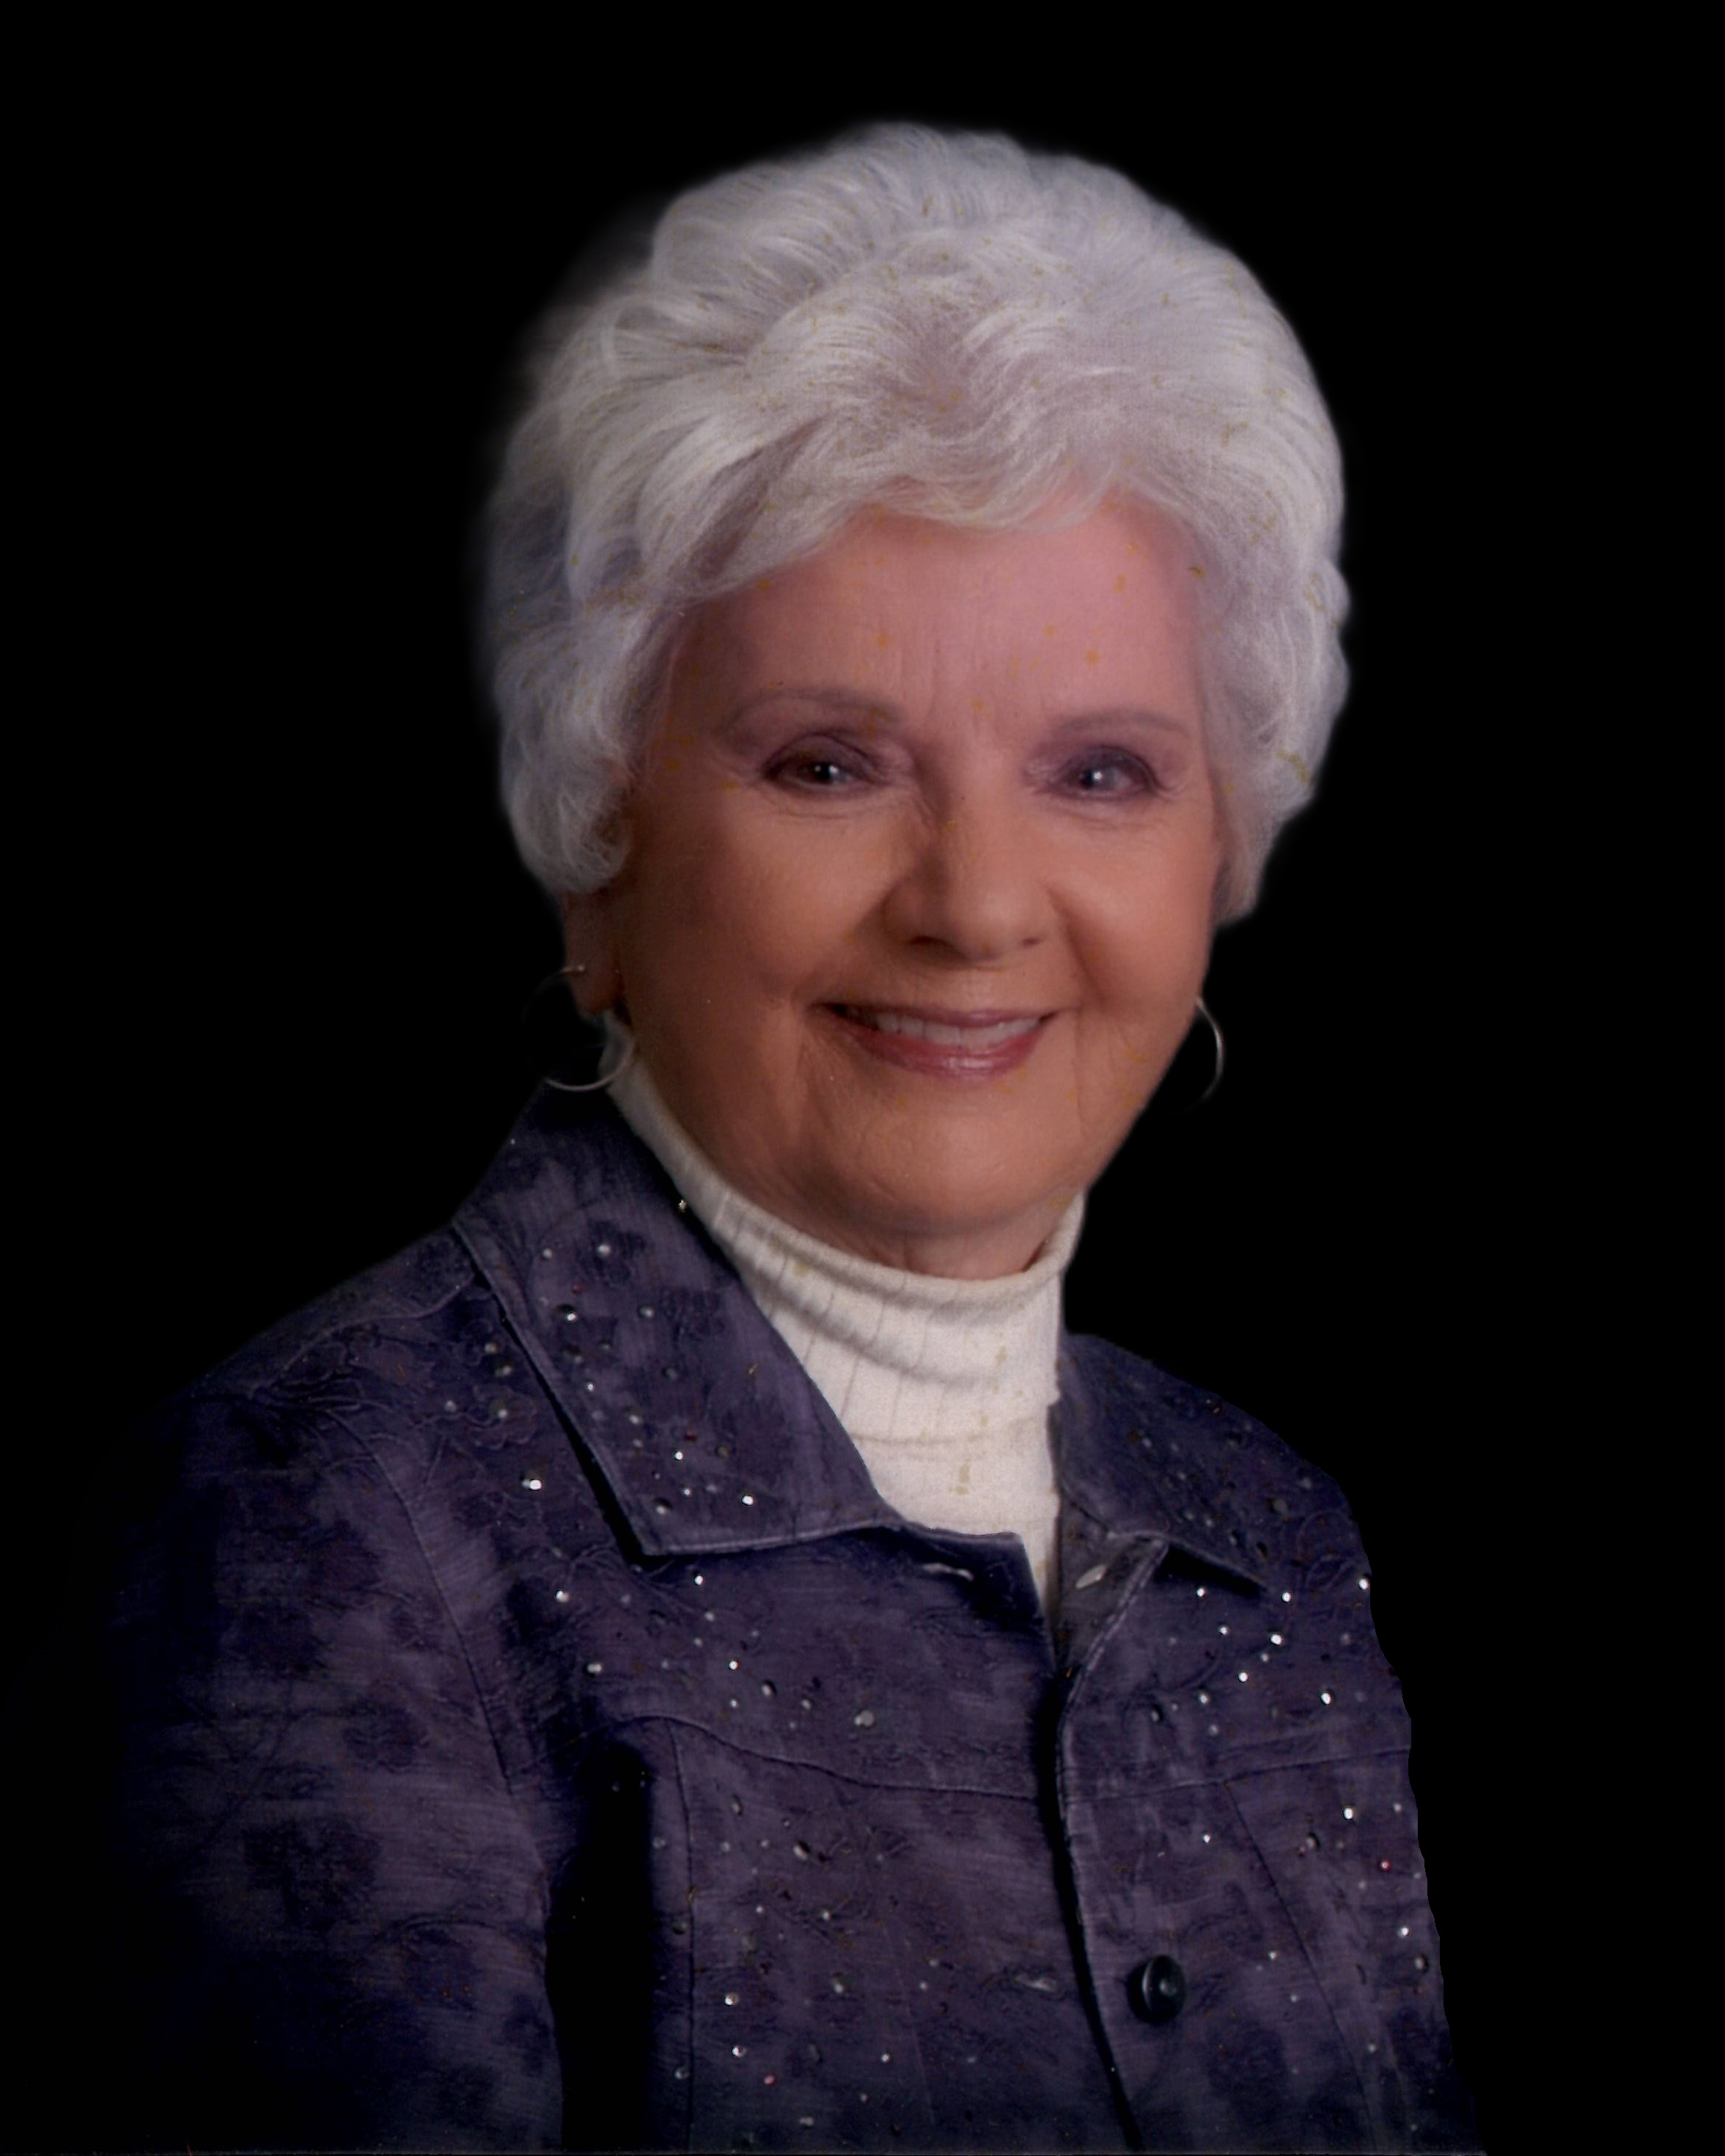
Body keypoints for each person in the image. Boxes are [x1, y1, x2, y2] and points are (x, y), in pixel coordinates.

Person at [19, 125, 1475, 2152]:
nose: (976, 905)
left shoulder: (1269, 1533)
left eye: (1099, 773)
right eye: (828, 764)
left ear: (1220, 849)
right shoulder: (315, 1519)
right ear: (597, 838)